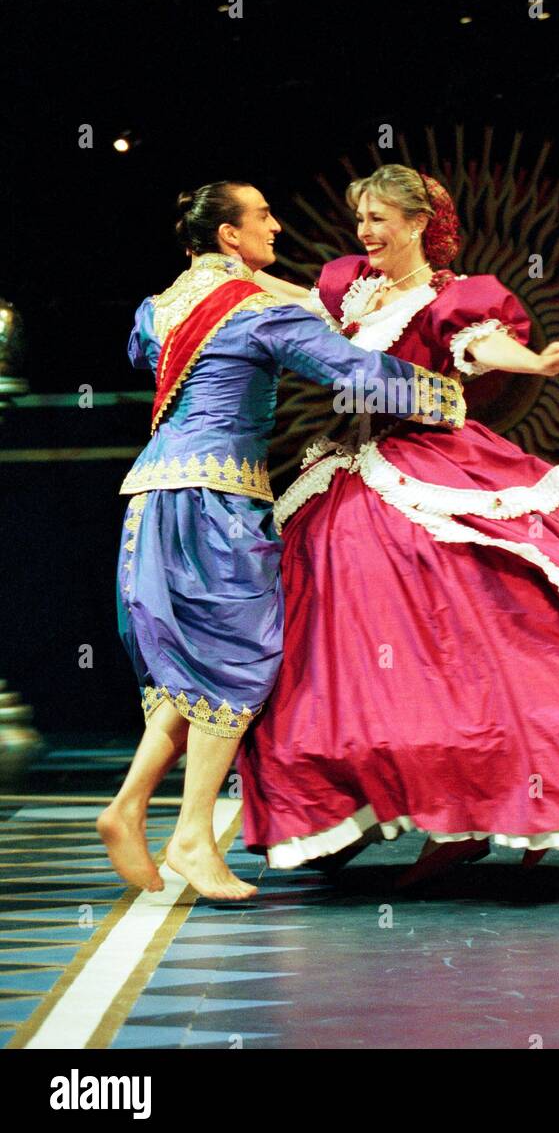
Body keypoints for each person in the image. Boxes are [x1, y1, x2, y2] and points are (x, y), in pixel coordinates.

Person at [238, 164, 559, 886]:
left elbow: (482, 348)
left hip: (427, 463)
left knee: (469, 643)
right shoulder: (349, 284)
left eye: (380, 218)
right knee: (337, 653)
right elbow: (299, 306)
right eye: (362, 220)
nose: (366, 233)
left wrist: (538, 360)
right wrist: (223, 279)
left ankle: (469, 811)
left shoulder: (454, 299)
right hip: (348, 470)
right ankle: (349, 803)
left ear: (418, 224)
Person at [97, 179, 464, 901]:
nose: (276, 225)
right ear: (230, 235)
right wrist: (449, 395)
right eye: (263, 215)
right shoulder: (255, 312)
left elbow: (145, 357)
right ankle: (193, 836)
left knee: (195, 659)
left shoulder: (157, 308)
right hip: (217, 499)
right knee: (244, 656)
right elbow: (353, 371)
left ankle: (130, 804)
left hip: (149, 497)